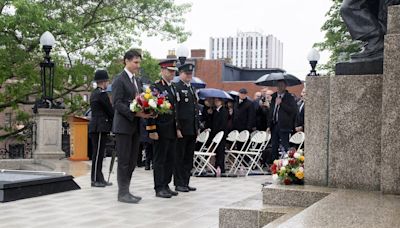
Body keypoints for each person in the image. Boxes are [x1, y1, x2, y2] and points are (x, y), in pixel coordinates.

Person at [112, 49, 153, 204]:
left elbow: (139, 100)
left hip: (135, 126)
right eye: (135, 62)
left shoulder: (137, 81)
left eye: (139, 62)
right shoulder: (119, 80)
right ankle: (122, 193)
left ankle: (127, 190)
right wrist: (135, 113)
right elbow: (117, 103)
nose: (138, 65)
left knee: (131, 161)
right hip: (123, 127)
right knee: (124, 160)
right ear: (126, 61)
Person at [146, 59, 180, 198]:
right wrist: (151, 129)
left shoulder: (172, 87)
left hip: (171, 129)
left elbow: (176, 110)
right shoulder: (155, 88)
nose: (172, 74)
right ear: (162, 71)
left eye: (173, 72)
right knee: (160, 160)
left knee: (170, 158)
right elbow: (149, 109)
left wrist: (178, 128)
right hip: (160, 129)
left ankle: (166, 184)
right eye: (169, 71)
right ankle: (159, 187)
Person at [174, 63, 199, 192]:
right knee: (180, 157)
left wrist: (197, 127)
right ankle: (179, 183)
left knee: (189, 157)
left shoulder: (192, 89)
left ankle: (186, 181)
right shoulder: (177, 87)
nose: (189, 76)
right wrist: (177, 127)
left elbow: (195, 110)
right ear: (180, 73)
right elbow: (176, 110)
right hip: (182, 129)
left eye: (190, 74)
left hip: (191, 129)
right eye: (186, 74)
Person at [88, 70, 114, 187]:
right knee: (98, 154)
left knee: (99, 154)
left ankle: (99, 178)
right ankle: (94, 179)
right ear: (104, 82)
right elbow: (109, 110)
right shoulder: (101, 94)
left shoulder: (95, 93)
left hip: (98, 126)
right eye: (107, 81)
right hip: (99, 126)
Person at [267, 80, 297, 162]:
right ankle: (274, 164)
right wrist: (269, 125)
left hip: (284, 125)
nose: (279, 87)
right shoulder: (274, 97)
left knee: (285, 144)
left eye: (281, 85)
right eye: (278, 85)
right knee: (274, 145)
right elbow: (272, 111)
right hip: (274, 124)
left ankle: (290, 162)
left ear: (285, 86)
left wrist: (281, 104)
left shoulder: (289, 97)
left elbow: (293, 111)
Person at [211, 98, 228, 174]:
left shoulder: (224, 111)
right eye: (215, 101)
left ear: (221, 102)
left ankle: (221, 167)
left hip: (221, 134)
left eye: (217, 101)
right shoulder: (215, 111)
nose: (216, 102)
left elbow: (223, 122)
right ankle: (216, 166)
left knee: (221, 151)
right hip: (215, 134)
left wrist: (219, 131)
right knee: (217, 151)